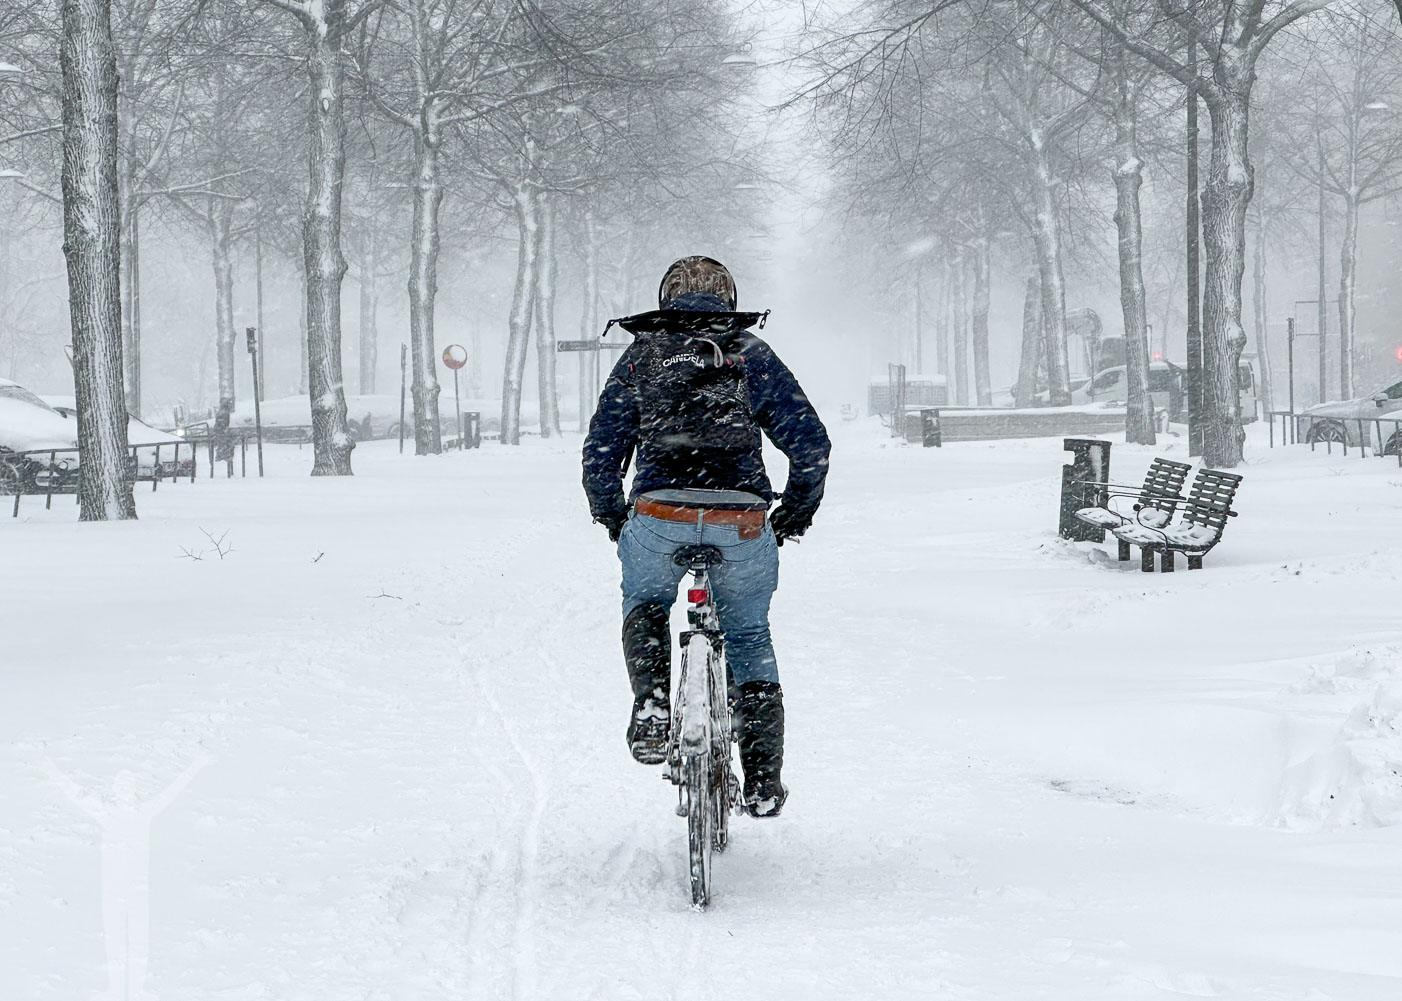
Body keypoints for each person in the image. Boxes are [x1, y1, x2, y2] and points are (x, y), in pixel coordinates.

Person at [582, 256, 830, 817]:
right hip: (740, 519)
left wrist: (616, 519)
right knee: (748, 635)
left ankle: (651, 706)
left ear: (666, 300)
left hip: (659, 513)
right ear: (729, 298)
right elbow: (811, 444)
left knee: (646, 600)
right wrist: (793, 513)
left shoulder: (641, 356)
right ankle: (763, 778)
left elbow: (601, 452)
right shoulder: (751, 354)